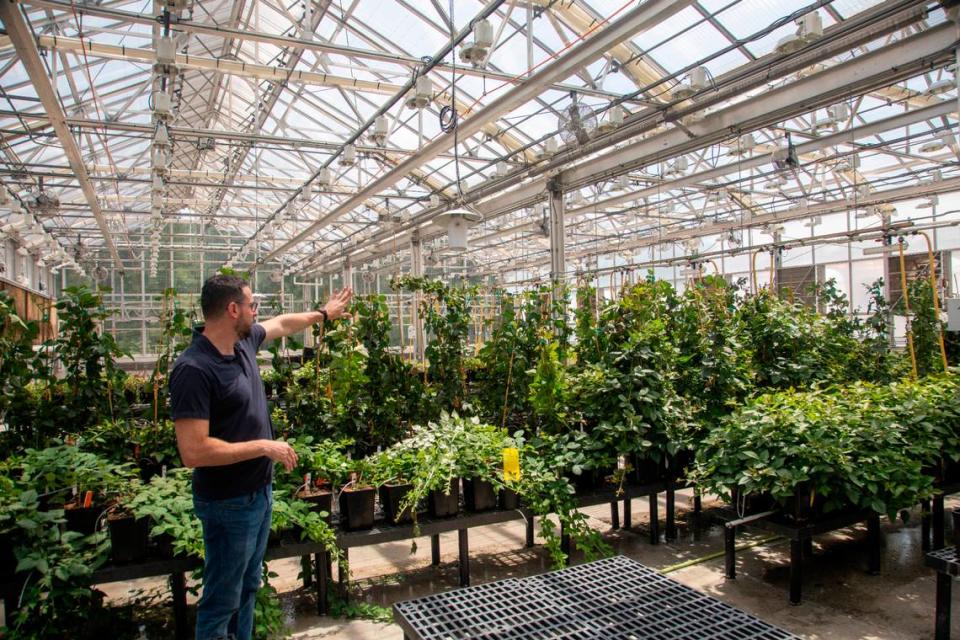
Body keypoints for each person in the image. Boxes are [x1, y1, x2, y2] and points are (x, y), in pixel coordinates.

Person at [169, 273, 352, 640]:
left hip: (257, 495)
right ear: (233, 309)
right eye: (252, 305)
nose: (257, 312)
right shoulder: (194, 369)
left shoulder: (243, 343)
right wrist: (263, 447)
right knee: (222, 599)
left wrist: (323, 314)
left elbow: (283, 324)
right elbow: (193, 451)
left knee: (248, 586)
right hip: (227, 503)